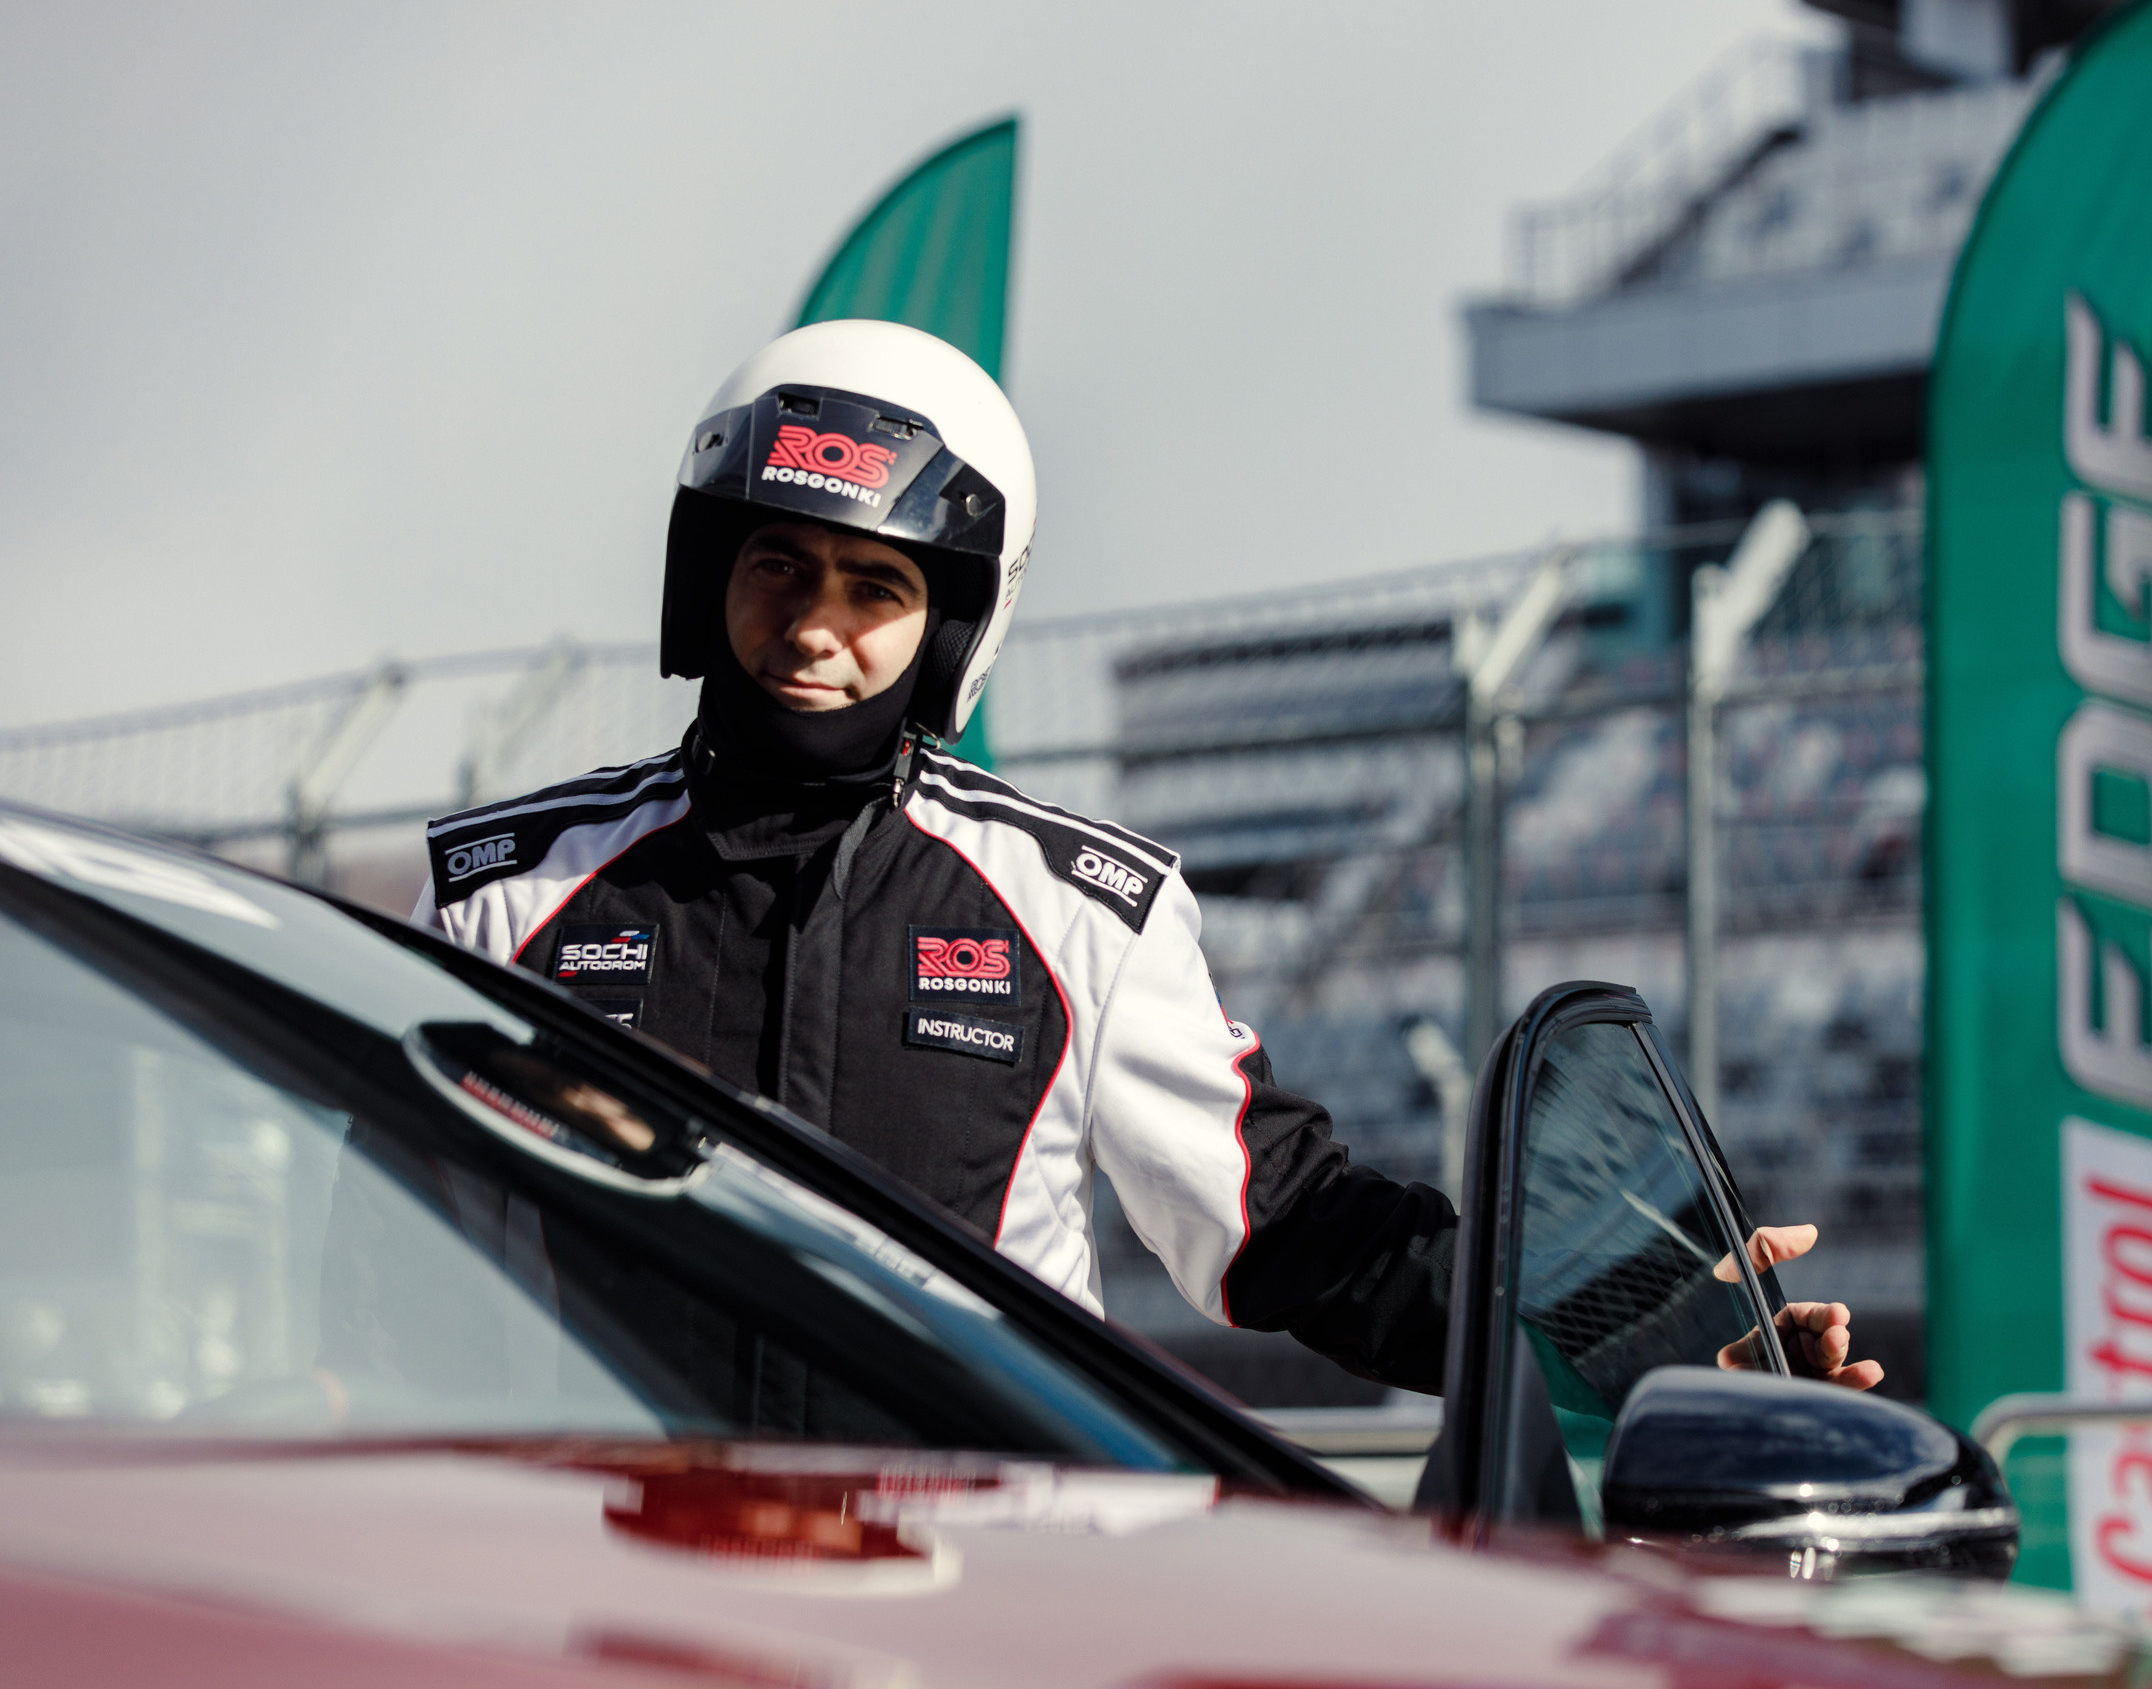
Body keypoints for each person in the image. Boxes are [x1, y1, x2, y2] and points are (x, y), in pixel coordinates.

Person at [418, 320, 1880, 1396]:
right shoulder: (506, 894)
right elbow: (400, 1261)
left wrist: (1655, 1325)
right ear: (708, 571)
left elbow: (1292, 1227)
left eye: (874, 585)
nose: (814, 624)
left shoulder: (1081, 914)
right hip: (599, 1591)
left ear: (952, 624)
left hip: (971, 1596)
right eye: (778, 564)